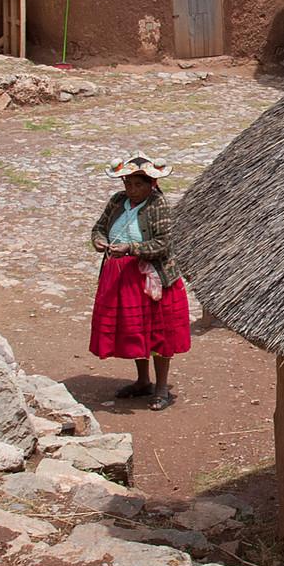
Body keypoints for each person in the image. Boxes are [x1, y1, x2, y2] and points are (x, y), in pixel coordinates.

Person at [89, 154, 191, 410]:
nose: (131, 190)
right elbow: (99, 227)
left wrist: (131, 249)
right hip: (122, 277)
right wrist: (99, 240)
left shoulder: (158, 206)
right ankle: (143, 380)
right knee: (135, 330)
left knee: (158, 332)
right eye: (128, 184)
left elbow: (163, 244)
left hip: (153, 279)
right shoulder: (117, 202)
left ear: (151, 185)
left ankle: (160, 388)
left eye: (138, 185)